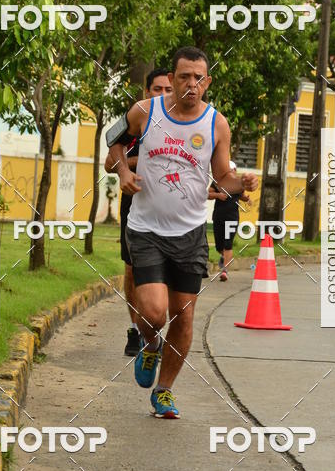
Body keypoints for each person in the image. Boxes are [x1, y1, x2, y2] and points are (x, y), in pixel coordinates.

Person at [106, 46, 258, 419]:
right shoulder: (146, 112)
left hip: (190, 232)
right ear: (171, 80)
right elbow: (113, 142)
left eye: (198, 78)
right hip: (145, 229)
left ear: (207, 82)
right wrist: (124, 173)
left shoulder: (216, 124)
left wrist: (243, 183)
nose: (191, 84)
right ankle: (150, 343)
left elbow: (222, 176)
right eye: (184, 77)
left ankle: (165, 390)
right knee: (155, 313)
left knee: (184, 316)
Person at [105, 68, 172, 356]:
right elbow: (109, 163)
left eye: (168, 89)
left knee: (165, 272)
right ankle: (136, 330)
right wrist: (135, 164)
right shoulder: (136, 120)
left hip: (171, 208)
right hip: (135, 204)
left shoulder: (187, 121)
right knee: (132, 271)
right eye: (157, 89)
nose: (163, 94)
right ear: (147, 93)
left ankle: (153, 326)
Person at [208, 161, 250, 281]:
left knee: (228, 243)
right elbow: (208, 194)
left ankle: (224, 270)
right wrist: (218, 195)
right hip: (218, 216)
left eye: (234, 170)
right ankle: (223, 257)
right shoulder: (218, 182)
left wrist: (246, 199)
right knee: (219, 246)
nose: (233, 172)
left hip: (232, 217)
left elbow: (241, 195)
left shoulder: (238, 183)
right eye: (230, 170)